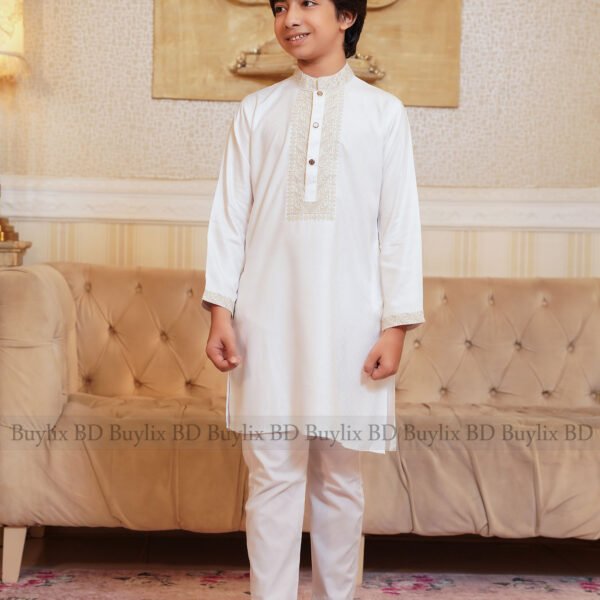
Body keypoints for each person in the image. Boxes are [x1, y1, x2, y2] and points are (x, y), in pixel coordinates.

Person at [202, 0, 425, 597]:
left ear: (347, 16)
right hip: (265, 323)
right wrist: (221, 311)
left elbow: (399, 226)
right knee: (271, 477)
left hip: (352, 325)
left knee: (340, 480)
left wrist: (395, 327)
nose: (289, 18)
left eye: (307, 3)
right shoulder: (256, 111)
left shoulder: (384, 113)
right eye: (280, 7)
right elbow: (229, 219)